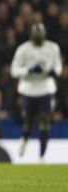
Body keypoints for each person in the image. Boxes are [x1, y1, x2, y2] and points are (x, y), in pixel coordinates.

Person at [11, 22, 62, 159]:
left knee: (45, 120)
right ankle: (24, 139)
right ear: (31, 35)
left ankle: (42, 155)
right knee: (29, 121)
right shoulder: (23, 49)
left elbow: (58, 67)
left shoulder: (53, 47)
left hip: (46, 88)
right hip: (29, 89)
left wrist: (53, 72)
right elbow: (14, 70)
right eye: (36, 34)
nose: (38, 37)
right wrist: (28, 70)